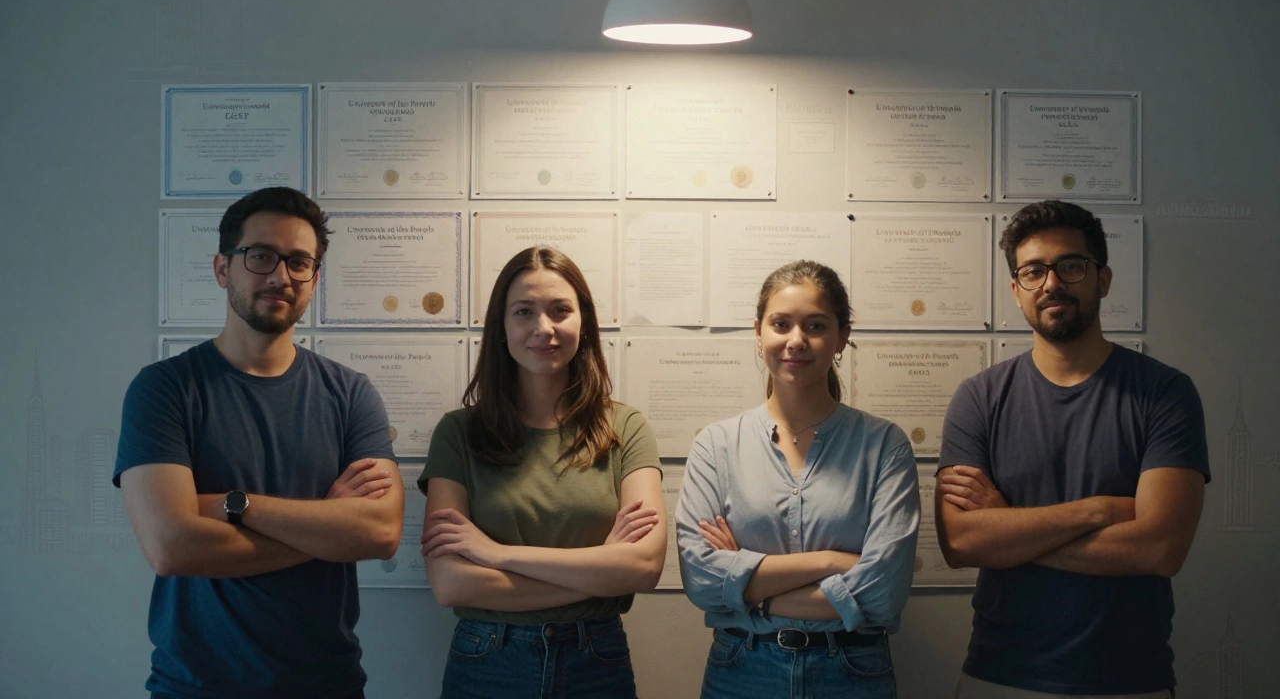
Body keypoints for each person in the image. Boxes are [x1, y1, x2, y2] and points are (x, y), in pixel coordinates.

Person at [114, 187, 404, 699]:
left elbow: (378, 534)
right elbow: (171, 547)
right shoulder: (164, 390)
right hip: (195, 687)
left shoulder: (350, 393)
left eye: (298, 262)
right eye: (261, 256)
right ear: (223, 268)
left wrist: (236, 506)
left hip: (328, 686)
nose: (280, 276)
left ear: (314, 279)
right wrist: (324, 529)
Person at [936, 199, 1209, 699]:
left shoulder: (1165, 394)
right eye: (1033, 271)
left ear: (1102, 279)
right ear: (1016, 291)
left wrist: (1010, 528)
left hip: (1131, 682)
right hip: (998, 677)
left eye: (1071, 266)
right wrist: (1102, 510)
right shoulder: (978, 397)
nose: (1052, 283)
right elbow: (961, 544)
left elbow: (1161, 548)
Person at [418, 246, 665, 699]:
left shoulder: (626, 427)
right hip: (487, 660)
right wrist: (598, 573)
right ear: (502, 326)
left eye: (560, 310)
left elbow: (644, 567)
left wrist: (497, 554)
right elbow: (451, 583)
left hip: (597, 659)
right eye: (524, 312)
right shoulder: (459, 433)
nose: (543, 328)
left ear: (583, 321)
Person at [677, 260, 920, 699]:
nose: (796, 340)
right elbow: (702, 582)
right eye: (781, 323)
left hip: (852, 671)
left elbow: (882, 593)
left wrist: (750, 590)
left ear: (842, 336)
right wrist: (831, 562)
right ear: (758, 332)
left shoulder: (884, 445)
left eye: (815, 325)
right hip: (742, 669)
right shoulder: (716, 445)